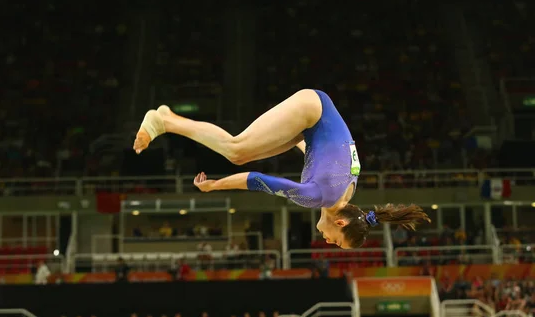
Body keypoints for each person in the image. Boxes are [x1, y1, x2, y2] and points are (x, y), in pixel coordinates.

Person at [134, 89, 430, 248]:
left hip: (311, 124)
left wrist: (290, 140)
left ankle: (168, 118)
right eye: (336, 243)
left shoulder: (347, 191)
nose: (327, 242)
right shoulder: (318, 198)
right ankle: (164, 121)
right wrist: (215, 185)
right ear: (340, 224)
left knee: (241, 154)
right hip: (311, 113)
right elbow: (260, 180)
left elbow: (319, 151)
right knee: (236, 150)